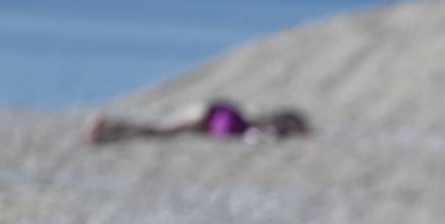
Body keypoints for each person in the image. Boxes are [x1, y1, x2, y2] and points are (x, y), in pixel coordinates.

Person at [84, 99, 311, 144]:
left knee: (159, 132)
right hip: (203, 115)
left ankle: (108, 133)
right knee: (160, 128)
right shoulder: (259, 120)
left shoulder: (255, 122)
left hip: (204, 117)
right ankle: (106, 122)